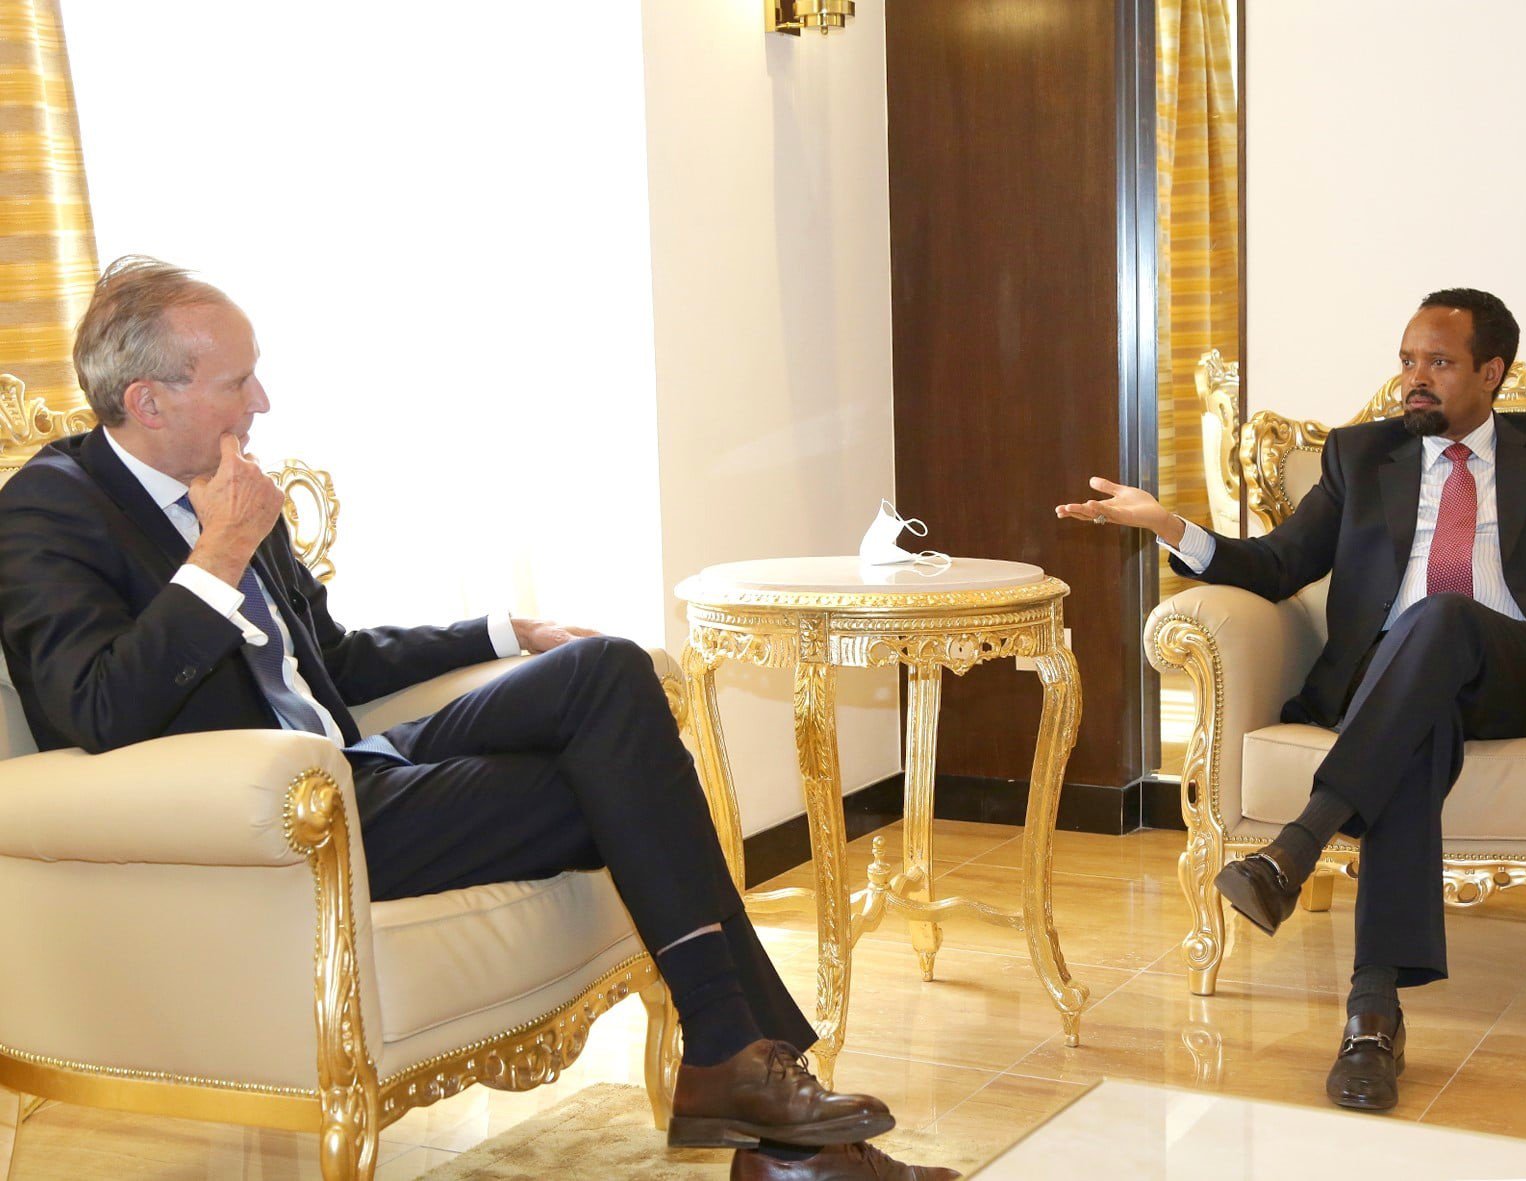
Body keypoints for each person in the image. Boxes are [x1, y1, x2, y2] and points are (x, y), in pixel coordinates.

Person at [0, 256, 958, 1181]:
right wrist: (218, 554)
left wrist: (505, 631)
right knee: (633, 786)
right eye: (238, 381)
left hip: (360, 761)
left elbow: (330, 658)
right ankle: (761, 1099)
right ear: (148, 401)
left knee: (604, 673)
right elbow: (96, 707)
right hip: (284, 822)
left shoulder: (229, 487)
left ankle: (735, 1067)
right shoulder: (51, 510)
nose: (263, 402)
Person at [1057, 288, 1526, 1112]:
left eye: (1439, 362)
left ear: (1492, 372)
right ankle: (1371, 1018)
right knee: (1417, 724)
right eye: (1407, 360)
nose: (1413, 378)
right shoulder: (1361, 455)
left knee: (1443, 615)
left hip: (1524, 675)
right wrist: (1172, 526)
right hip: (1397, 685)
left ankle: (1300, 841)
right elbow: (1276, 564)